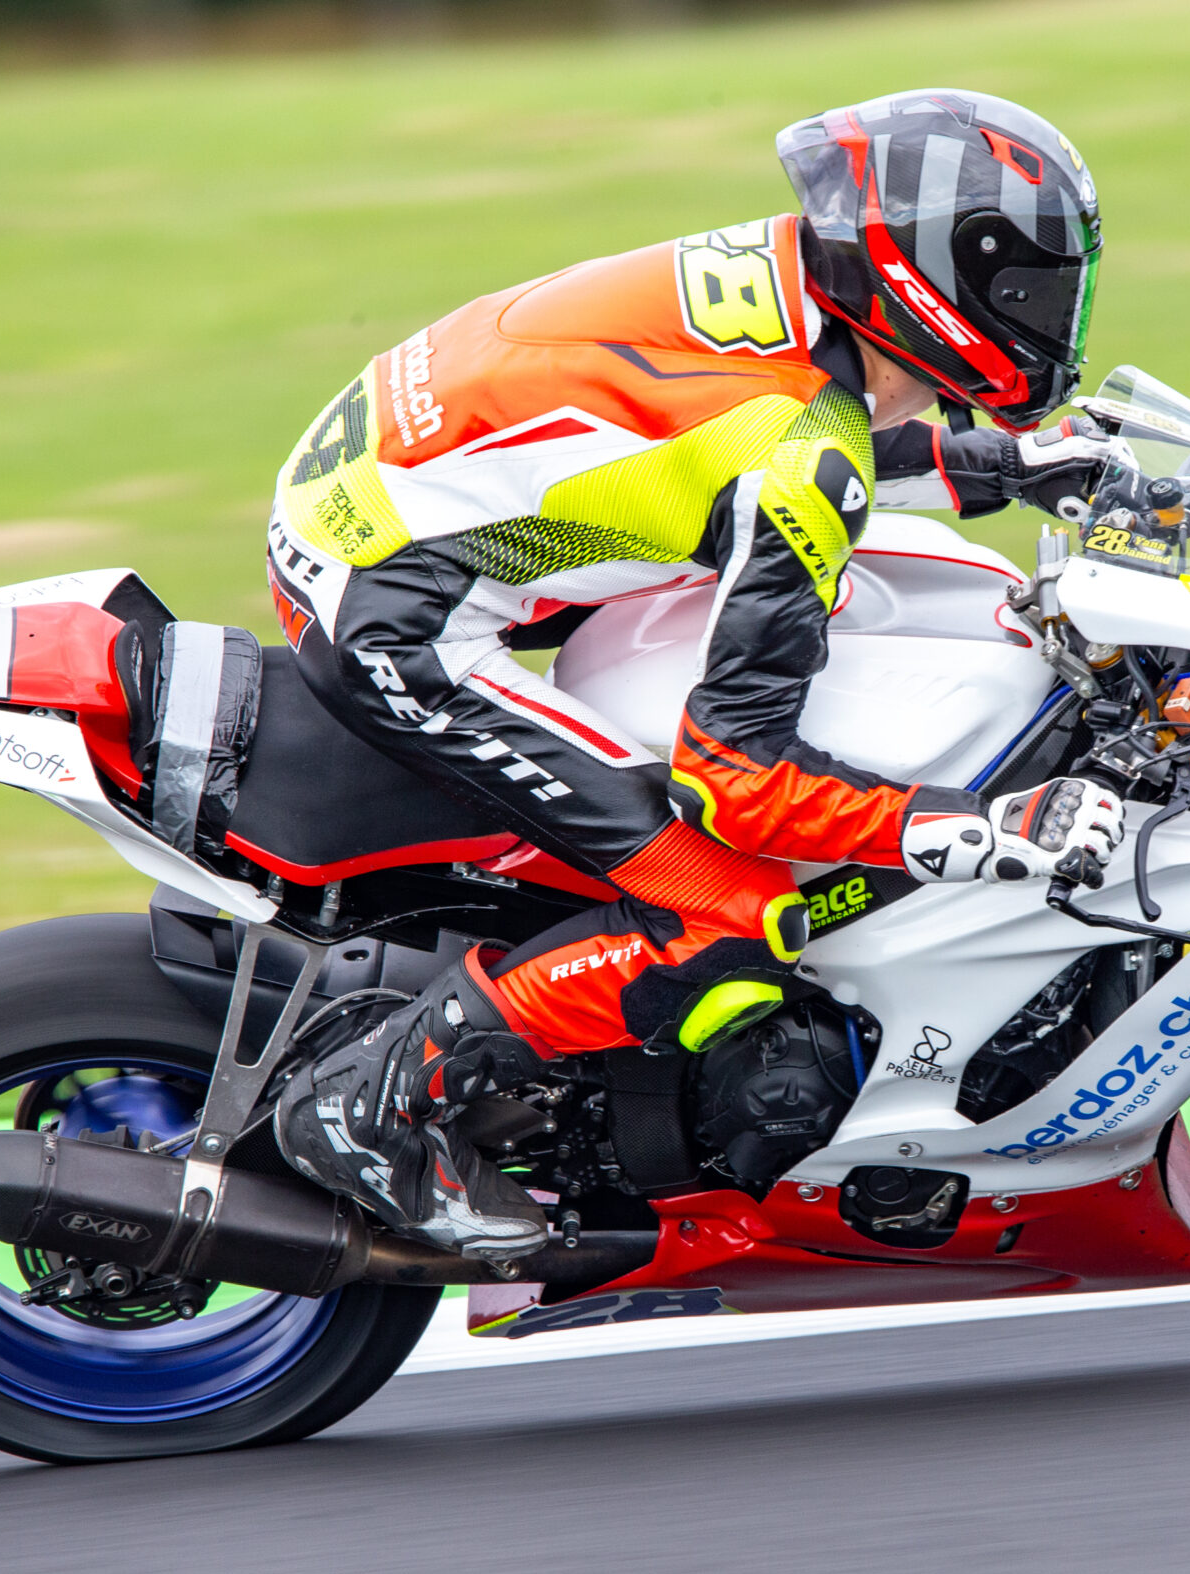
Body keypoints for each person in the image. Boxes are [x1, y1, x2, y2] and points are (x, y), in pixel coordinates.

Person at [267, 89, 1129, 1258]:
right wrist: (975, 827)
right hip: (395, 616)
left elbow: (749, 440)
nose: (1047, 314)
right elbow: (736, 780)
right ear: (935, 281)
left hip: (389, 489)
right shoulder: (796, 455)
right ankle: (366, 1105)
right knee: (726, 912)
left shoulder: (797, 284)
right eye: (1027, 288)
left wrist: (1016, 463)